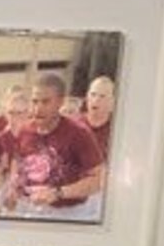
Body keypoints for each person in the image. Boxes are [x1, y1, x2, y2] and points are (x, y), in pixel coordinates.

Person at [7, 71, 107, 219]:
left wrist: (59, 193)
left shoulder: (79, 133)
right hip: (28, 209)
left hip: (68, 214)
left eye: (45, 102)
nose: (38, 108)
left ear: (60, 102)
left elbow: (99, 179)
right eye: (35, 101)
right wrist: (13, 185)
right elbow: (17, 160)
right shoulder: (25, 130)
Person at [84, 74, 116, 163]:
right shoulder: (74, 124)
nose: (96, 100)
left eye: (102, 96)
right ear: (87, 97)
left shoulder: (117, 130)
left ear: (112, 102)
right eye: (93, 94)